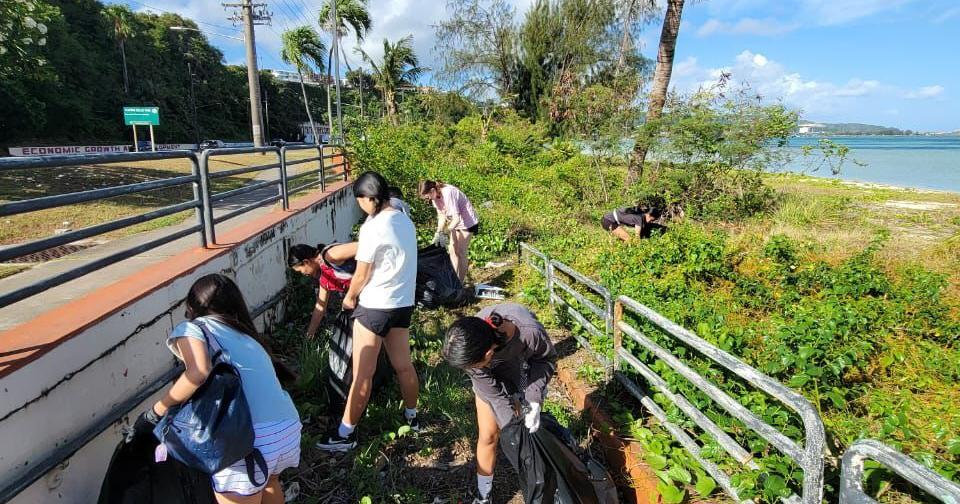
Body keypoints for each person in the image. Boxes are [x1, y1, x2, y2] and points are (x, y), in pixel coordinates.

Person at [135, 274, 301, 504]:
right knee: (269, 482)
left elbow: (198, 372)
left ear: (192, 307)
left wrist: (156, 410)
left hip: (247, 440)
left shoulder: (193, 328)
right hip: (285, 429)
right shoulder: (246, 333)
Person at [316, 171, 420, 452]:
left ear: (368, 197)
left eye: (359, 200)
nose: (359, 205)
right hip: (402, 306)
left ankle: (344, 435)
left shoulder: (372, 227)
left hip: (374, 309)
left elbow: (361, 275)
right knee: (404, 366)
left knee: (363, 374)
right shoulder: (405, 221)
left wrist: (349, 298)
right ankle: (413, 418)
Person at [442, 303, 557, 504]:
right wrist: (511, 429)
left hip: (524, 374)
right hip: (490, 379)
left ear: (487, 354)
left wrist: (534, 398)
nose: (469, 369)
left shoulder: (529, 333)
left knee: (527, 436)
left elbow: (546, 360)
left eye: (471, 366)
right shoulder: (471, 350)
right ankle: (483, 495)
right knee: (488, 435)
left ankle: (539, 484)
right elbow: (493, 394)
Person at [287, 242, 358, 339]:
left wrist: (350, 295)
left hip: (379, 284)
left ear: (306, 262)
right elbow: (320, 308)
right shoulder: (324, 277)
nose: (302, 274)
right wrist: (309, 335)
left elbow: (363, 246)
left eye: (300, 271)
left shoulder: (330, 255)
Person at [417, 180, 479, 283]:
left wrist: (445, 232)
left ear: (432, 190)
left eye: (427, 197)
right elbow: (441, 216)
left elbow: (456, 218)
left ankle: (460, 284)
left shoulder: (448, 192)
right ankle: (454, 281)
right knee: (452, 250)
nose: (427, 200)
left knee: (461, 251)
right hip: (454, 223)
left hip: (467, 222)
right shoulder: (435, 196)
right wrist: (438, 233)